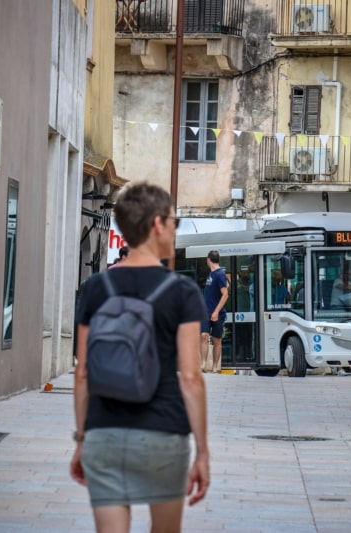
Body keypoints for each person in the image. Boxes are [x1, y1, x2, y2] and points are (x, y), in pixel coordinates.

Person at [70, 182, 210, 533]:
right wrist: (203, 452)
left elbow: (82, 373)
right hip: (162, 434)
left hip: (104, 432)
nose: (175, 231)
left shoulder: (94, 288)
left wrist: (83, 441)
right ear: (157, 225)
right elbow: (191, 378)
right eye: (174, 223)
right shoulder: (182, 292)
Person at [201, 250, 229, 373]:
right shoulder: (210, 275)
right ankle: (203, 365)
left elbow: (225, 295)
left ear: (208, 260)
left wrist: (216, 311)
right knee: (204, 336)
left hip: (218, 313)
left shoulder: (220, 275)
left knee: (217, 339)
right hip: (206, 311)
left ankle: (215, 366)